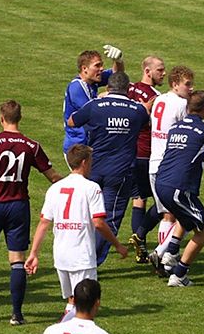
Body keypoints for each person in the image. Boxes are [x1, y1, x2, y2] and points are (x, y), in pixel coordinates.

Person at [0, 100, 61, 325]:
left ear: (1, 118)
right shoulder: (31, 145)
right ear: (20, 118)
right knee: (17, 260)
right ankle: (17, 314)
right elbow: (52, 176)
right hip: (18, 205)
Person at [26, 145, 127, 319]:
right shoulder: (91, 188)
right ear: (84, 162)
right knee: (85, 307)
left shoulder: (55, 188)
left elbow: (44, 222)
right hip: (82, 256)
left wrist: (34, 253)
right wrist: (117, 245)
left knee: (72, 301)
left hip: (61, 256)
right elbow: (99, 222)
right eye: (91, 162)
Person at [68, 71, 150, 265]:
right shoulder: (137, 109)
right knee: (110, 217)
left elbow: (72, 121)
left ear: (108, 88)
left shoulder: (95, 105)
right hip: (120, 172)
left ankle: (79, 255)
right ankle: (92, 261)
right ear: (128, 90)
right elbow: (145, 124)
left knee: (85, 214)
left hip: (93, 169)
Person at [153, 90, 204, 287]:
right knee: (203, 229)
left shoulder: (175, 127)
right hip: (180, 187)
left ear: (187, 108)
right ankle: (179, 274)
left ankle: (170, 255)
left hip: (161, 183)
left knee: (185, 217)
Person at [145, 65, 195, 275]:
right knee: (177, 214)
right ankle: (163, 256)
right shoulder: (181, 104)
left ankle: (163, 262)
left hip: (153, 162)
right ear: (175, 84)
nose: (191, 88)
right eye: (187, 84)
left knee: (167, 214)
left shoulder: (160, 99)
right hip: (169, 165)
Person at [126, 56, 166, 263]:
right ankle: (140, 236)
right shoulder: (154, 97)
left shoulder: (129, 89)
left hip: (127, 151)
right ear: (147, 71)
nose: (164, 73)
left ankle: (139, 246)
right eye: (160, 70)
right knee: (162, 201)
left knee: (139, 197)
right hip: (146, 153)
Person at [62, 45, 125, 154]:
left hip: (87, 145)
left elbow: (117, 75)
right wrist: (104, 97)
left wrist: (118, 60)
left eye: (102, 65)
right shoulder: (77, 86)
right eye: (97, 65)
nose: (101, 69)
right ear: (84, 69)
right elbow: (92, 112)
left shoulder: (92, 81)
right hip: (77, 148)